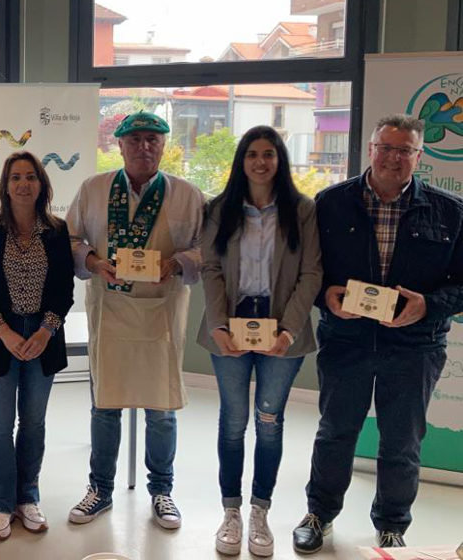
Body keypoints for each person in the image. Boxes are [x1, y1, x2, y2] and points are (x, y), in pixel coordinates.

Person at [293, 114, 463, 552]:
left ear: (419, 156)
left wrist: (428, 306)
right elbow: (308, 271)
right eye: (385, 147)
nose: (393, 157)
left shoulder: (451, 211)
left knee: (402, 440)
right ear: (370, 150)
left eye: (404, 150)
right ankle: (320, 513)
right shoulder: (330, 203)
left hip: (415, 346)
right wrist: (325, 296)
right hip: (346, 340)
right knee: (335, 431)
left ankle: (392, 525)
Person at [65, 111, 204, 529]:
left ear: (164, 145)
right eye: (136, 139)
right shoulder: (93, 189)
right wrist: (91, 260)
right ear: (119, 145)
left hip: (161, 312)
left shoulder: (186, 195)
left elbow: (208, 248)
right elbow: (70, 238)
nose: (145, 147)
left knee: (161, 410)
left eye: (153, 139)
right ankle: (100, 490)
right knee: (104, 405)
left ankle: (162, 491)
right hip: (111, 309)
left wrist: (176, 263)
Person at [197, 126, 322, 557]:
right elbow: (211, 269)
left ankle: (260, 511)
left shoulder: (302, 209)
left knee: (269, 422)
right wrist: (216, 324)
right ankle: (230, 511)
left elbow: (311, 274)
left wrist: (288, 329)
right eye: (252, 153)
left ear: (280, 160)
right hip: (230, 324)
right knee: (233, 422)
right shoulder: (220, 208)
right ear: (241, 160)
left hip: (281, 327)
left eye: (269, 153)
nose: (260, 162)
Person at [0, 151, 75, 540]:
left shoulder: (57, 230)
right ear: (5, 185)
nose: (23, 184)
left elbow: (65, 289)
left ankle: (27, 497)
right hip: (0, 338)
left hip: (43, 337)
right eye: (16, 177)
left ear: (42, 184)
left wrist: (45, 331)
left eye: (31, 177)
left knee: (33, 423)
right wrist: (5, 332)